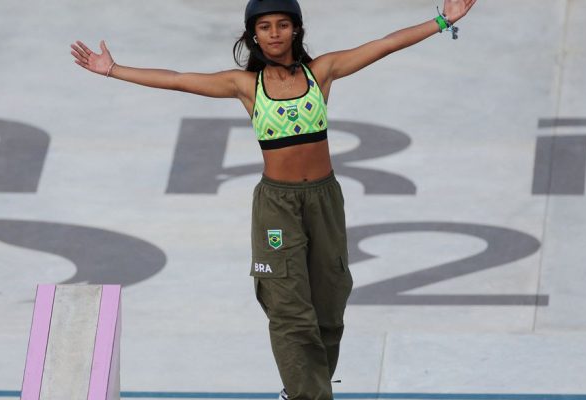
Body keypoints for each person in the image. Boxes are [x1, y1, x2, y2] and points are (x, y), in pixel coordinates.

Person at [70, 0, 476, 398]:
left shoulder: (323, 72)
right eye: (265, 27)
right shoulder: (245, 86)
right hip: (277, 205)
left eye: (283, 25)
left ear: (296, 29)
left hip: (323, 200)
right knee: (289, 310)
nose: (275, 34)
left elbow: (386, 43)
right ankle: (307, 396)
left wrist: (442, 20)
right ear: (253, 36)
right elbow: (178, 78)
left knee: (330, 307)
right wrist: (113, 70)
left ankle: (302, 388)